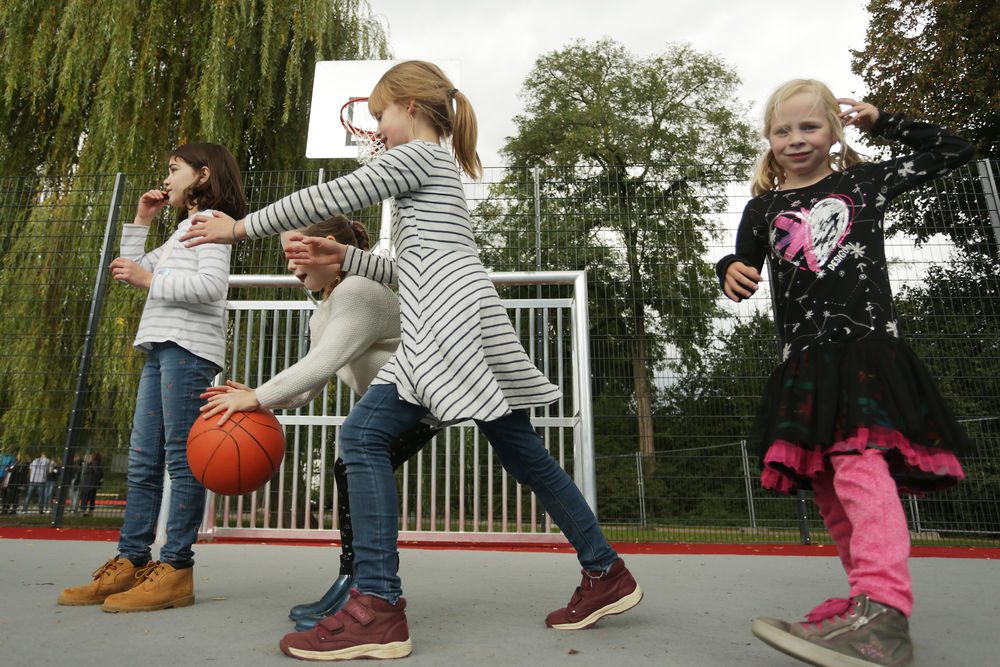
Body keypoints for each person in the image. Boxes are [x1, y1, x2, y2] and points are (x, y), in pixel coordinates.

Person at [183, 60, 642, 661]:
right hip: (458, 309)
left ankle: (375, 603)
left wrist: (240, 227)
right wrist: (347, 255)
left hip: (447, 319)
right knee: (522, 453)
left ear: (413, 109)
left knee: (362, 437)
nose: (377, 129)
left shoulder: (418, 157)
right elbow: (411, 270)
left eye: (380, 116)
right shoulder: (435, 171)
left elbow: (329, 194)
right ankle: (605, 570)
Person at [716, 79, 974, 667]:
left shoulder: (862, 183)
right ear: (768, 139)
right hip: (804, 362)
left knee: (859, 467)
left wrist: (883, 120)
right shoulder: (763, 208)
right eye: (783, 130)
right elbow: (743, 265)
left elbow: (956, 148)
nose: (795, 139)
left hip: (865, 351)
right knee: (829, 487)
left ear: (835, 131)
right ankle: (864, 602)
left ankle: (885, 609)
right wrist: (728, 267)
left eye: (809, 127)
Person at [197, 215, 440, 629]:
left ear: (325, 246)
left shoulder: (361, 290)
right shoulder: (326, 308)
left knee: (351, 467)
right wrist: (257, 400)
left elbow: (321, 363)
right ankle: (357, 578)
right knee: (348, 469)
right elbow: (307, 388)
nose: (290, 267)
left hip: (423, 399)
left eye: (295, 255)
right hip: (403, 401)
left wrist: (257, 396)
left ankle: (364, 582)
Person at [57, 143, 247, 613]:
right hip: (162, 348)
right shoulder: (185, 226)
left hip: (188, 351)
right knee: (144, 462)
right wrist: (141, 222)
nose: (166, 178)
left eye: (173, 169)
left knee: (182, 463)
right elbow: (133, 268)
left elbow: (210, 288)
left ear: (202, 176)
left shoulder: (210, 224)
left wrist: (149, 282)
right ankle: (131, 561)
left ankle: (176, 567)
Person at [78, 452, 103, 516]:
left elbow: (98, 474)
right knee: (91, 498)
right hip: (91, 484)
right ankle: (89, 511)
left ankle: (83, 510)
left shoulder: (94, 464)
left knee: (86, 498)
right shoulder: (94, 464)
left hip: (89, 484)